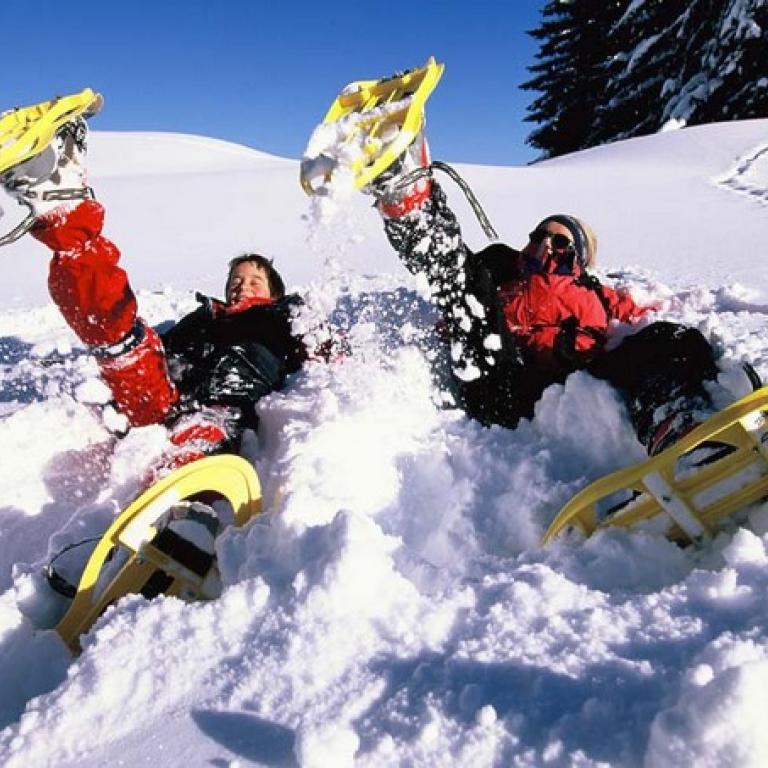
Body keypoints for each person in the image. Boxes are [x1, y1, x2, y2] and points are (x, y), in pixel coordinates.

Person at [365, 132, 756, 457]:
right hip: (499, 380)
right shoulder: (502, 266)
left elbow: (646, 311)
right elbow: (455, 276)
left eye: (559, 241)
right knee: (472, 289)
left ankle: (687, 422)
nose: (545, 245)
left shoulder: (594, 293)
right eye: (539, 235)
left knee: (669, 338)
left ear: (580, 258)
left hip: (566, 385)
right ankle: (409, 202)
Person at [0, 114, 314, 482]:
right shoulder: (205, 317)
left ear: (273, 290)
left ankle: (184, 512)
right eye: (236, 279)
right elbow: (158, 350)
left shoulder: (286, 313)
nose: (242, 286)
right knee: (117, 333)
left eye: (254, 280)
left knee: (201, 438)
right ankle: (60, 206)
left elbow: (328, 358)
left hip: (221, 407)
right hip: (161, 396)